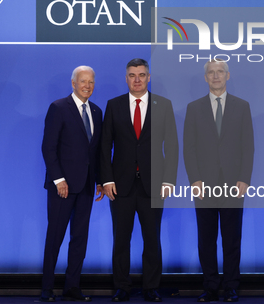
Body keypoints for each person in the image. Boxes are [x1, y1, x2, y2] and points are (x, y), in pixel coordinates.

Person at [101, 58, 178, 302]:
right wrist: (106, 179)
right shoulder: (113, 105)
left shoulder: (163, 105)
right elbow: (104, 147)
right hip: (120, 186)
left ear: (148, 77)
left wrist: (169, 181)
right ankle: (122, 286)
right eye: (132, 75)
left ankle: (150, 287)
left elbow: (173, 146)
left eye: (141, 75)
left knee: (152, 239)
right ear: (126, 78)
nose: (137, 79)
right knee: (120, 240)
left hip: (154, 185)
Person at [183, 60, 254, 302]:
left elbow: (248, 147)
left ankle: (232, 286)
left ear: (228, 76)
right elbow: (189, 148)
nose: (215, 76)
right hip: (204, 185)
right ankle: (211, 285)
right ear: (205, 78)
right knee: (207, 239)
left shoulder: (242, 106)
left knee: (232, 239)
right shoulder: (193, 108)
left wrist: (245, 178)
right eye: (211, 73)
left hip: (234, 185)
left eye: (220, 72)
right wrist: (194, 180)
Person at [40, 66, 104, 302]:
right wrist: (59, 179)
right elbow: (49, 147)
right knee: (55, 237)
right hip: (62, 187)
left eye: (91, 82)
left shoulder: (97, 111)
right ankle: (47, 288)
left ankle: (72, 287)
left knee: (80, 239)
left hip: (87, 186)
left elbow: (95, 151)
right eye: (83, 81)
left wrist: (98, 180)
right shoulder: (58, 108)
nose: (87, 86)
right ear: (73, 83)